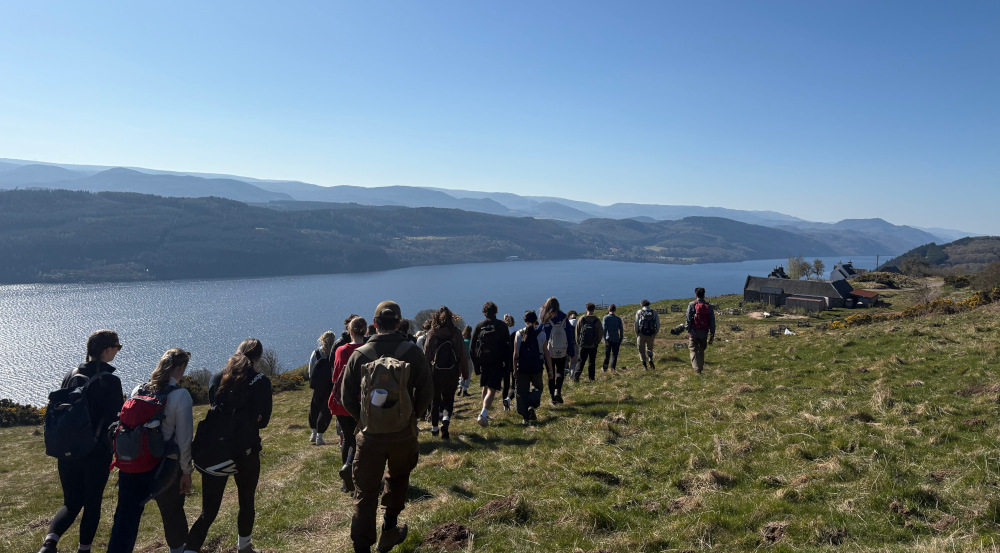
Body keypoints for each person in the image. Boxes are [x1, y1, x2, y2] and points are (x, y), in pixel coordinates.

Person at [340, 300, 433, 553]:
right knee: (399, 478)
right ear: (399, 323)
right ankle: (389, 529)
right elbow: (427, 391)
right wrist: (412, 417)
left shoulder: (360, 355)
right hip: (403, 434)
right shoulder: (413, 352)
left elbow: (345, 397)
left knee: (365, 491)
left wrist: (363, 420)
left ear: (375, 324)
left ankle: (361, 546)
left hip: (370, 436)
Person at [39, 330, 125, 553]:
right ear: (107, 350)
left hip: (67, 449)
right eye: (117, 347)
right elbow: (117, 419)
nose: (117, 351)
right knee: (92, 503)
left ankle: (49, 543)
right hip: (96, 452)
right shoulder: (111, 380)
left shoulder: (71, 374)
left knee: (71, 502)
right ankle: (84, 550)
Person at [186, 339, 273, 553]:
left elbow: (215, 408)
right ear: (258, 357)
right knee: (246, 503)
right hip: (245, 451)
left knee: (209, 510)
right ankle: (245, 547)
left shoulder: (217, 377)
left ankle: (189, 549)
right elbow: (264, 421)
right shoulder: (261, 381)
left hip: (215, 451)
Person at [106, 349, 194, 553]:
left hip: (132, 464)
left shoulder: (138, 389)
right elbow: (184, 440)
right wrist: (187, 471)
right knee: (172, 515)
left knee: (124, 520)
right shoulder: (181, 396)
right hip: (165, 467)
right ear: (179, 368)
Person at [329, 316, 367, 493]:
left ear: (350, 331)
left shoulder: (341, 350)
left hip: (343, 402)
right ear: (365, 331)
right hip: (363, 402)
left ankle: (347, 480)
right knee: (362, 439)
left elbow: (335, 376)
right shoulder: (370, 349)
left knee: (347, 437)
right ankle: (359, 475)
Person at [423, 306, 468, 439]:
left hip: (436, 372)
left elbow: (426, 356)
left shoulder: (432, 333)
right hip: (452, 372)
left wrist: (425, 376)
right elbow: (462, 355)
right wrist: (465, 374)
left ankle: (434, 428)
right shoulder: (456, 333)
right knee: (449, 399)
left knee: (435, 400)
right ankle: (446, 423)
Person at [471, 301, 511, 427]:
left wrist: (476, 366)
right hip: (497, 360)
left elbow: (472, 348)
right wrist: (507, 363)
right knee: (492, 389)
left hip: (483, 361)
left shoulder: (479, 326)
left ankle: (485, 414)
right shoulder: (502, 325)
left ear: (484, 312)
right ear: (496, 311)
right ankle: (483, 414)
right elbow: (508, 345)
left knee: (485, 387)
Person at [512, 311, 550, 425]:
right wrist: (550, 370)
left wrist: (514, 369)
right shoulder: (541, 334)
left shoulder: (519, 334)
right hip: (536, 367)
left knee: (521, 392)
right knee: (538, 388)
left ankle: (525, 417)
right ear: (535, 321)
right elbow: (546, 352)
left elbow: (515, 354)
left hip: (522, 367)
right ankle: (531, 406)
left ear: (525, 320)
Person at [539, 297, 576, 404]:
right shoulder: (564, 318)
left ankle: (553, 398)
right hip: (562, 350)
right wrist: (572, 353)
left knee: (551, 373)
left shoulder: (545, 318)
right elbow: (569, 336)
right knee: (560, 371)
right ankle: (558, 390)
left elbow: (539, 333)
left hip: (548, 352)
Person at [307, 331, 336, 445]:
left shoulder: (316, 353)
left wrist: (313, 381)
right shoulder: (334, 354)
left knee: (314, 407)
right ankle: (320, 436)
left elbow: (311, 369)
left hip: (318, 386)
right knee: (326, 410)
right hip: (329, 385)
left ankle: (313, 433)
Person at [686, 288, 717, 374]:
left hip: (694, 332)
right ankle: (701, 367)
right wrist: (712, 335)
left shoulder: (692, 305)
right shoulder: (709, 307)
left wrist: (688, 330)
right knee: (701, 350)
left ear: (696, 295)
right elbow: (712, 322)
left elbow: (688, 319)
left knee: (693, 350)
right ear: (704, 295)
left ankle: (697, 370)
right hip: (704, 333)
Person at [575, 303, 603, 381]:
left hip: (583, 345)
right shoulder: (597, 320)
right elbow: (600, 333)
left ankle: (576, 376)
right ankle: (591, 378)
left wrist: (579, 342)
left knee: (581, 361)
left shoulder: (582, 319)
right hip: (593, 345)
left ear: (586, 309)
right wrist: (596, 342)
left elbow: (577, 331)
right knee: (592, 362)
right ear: (594, 310)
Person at [634, 299, 660, 370]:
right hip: (651, 334)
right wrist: (655, 332)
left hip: (641, 333)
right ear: (649, 304)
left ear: (642, 305)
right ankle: (650, 357)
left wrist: (637, 333)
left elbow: (636, 324)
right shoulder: (653, 312)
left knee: (641, 350)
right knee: (650, 348)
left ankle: (644, 366)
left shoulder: (639, 312)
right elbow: (658, 324)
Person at [501, 313, 517, 411]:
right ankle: (510, 399)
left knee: (505, 384)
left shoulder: (503, 333)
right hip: (514, 359)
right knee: (515, 383)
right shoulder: (516, 332)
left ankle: (505, 404)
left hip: (504, 360)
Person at [602, 304, 624, 371]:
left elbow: (604, 329)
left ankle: (605, 369)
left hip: (608, 339)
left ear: (609, 309)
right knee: (614, 355)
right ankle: (612, 369)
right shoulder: (618, 319)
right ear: (615, 310)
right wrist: (620, 339)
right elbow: (621, 330)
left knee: (607, 356)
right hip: (616, 339)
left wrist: (605, 339)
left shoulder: (605, 318)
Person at [456, 325, 473, 397]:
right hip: (469, 359)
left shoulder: (462, 340)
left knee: (462, 374)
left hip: (461, 359)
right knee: (468, 374)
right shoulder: (470, 341)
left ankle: (460, 387)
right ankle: (465, 390)